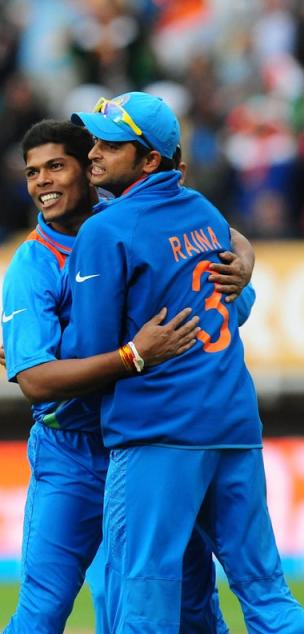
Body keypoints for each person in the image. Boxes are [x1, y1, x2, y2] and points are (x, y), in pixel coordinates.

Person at [0, 120, 260, 633]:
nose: (42, 183)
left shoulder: (134, 223)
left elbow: (232, 305)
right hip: (72, 450)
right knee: (44, 606)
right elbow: (35, 381)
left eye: (56, 166)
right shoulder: (31, 265)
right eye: (32, 172)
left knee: (183, 603)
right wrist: (132, 357)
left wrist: (244, 261)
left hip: (149, 447)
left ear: (90, 168)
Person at [65, 92, 304, 632]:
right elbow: (238, 307)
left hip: (159, 431)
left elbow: (89, 353)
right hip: (233, 425)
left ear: (149, 160)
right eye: (95, 140)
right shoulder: (205, 212)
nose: (94, 152)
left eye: (111, 143)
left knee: (143, 594)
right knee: (266, 594)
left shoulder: (107, 230)